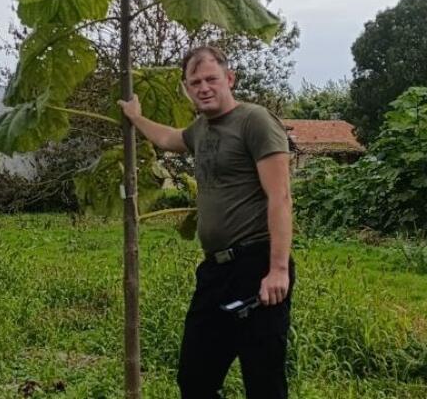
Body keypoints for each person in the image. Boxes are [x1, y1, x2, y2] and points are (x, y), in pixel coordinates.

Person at [118, 45, 295, 399]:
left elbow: (280, 197)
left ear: (230, 79)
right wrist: (135, 117)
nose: (204, 87)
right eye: (194, 82)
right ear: (187, 88)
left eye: (212, 79)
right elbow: (169, 138)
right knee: (195, 378)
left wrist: (277, 269)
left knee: (263, 381)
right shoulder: (201, 130)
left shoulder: (254, 121)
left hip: (256, 264)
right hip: (215, 272)